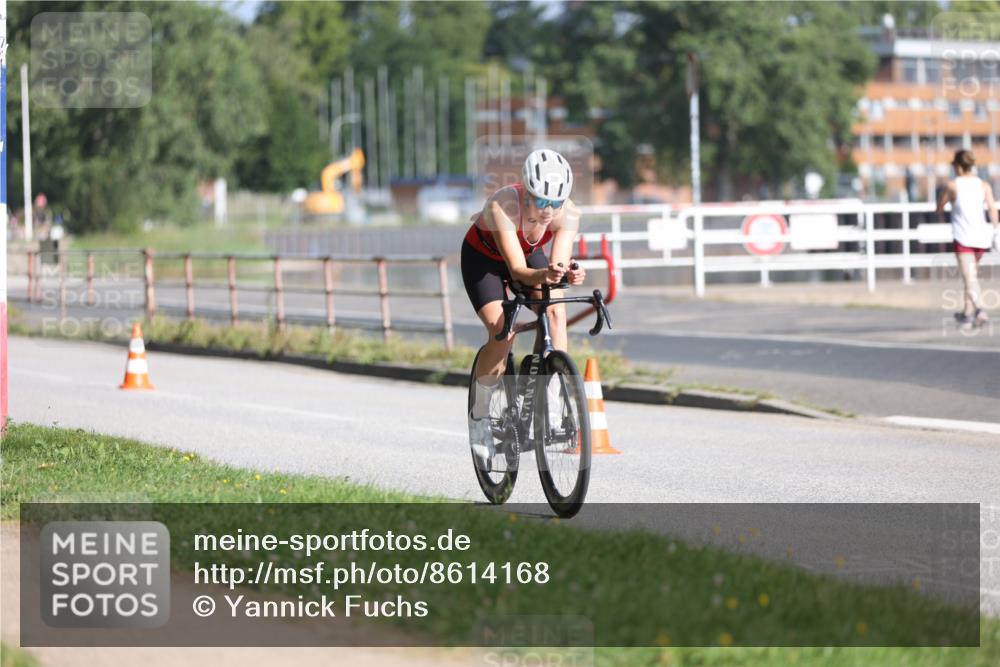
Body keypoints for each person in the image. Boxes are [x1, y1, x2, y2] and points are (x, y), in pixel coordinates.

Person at [461, 149, 585, 465]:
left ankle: (554, 400)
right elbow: (517, 271)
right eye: (542, 201)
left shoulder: (568, 212)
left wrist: (568, 272)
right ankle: (480, 419)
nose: (548, 210)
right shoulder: (503, 206)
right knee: (504, 329)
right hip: (485, 261)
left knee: (555, 308)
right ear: (527, 192)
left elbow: (556, 264)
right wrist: (546, 274)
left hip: (527, 256)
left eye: (555, 203)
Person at [937, 149, 1000, 330]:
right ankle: (966, 316)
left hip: (963, 238)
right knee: (970, 277)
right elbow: (992, 210)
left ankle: (980, 310)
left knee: (969, 278)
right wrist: (996, 229)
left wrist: (944, 203)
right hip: (980, 238)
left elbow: (939, 207)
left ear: (957, 166)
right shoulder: (983, 185)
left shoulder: (952, 186)